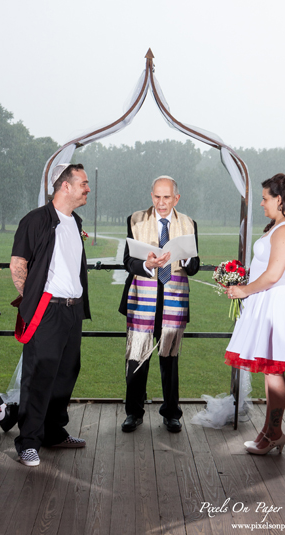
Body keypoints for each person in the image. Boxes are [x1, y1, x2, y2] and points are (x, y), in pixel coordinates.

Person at [225, 173, 285, 455]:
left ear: (279, 199)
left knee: (274, 370)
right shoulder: (279, 226)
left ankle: (274, 432)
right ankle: (270, 430)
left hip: (278, 305)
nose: (262, 204)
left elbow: (274, 274)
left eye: (265, 199)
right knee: (270, 370)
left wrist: (245, 290)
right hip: (268, 303)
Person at [9, 163, 91, 467]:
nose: (88, 188)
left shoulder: (74, 221)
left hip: (73, 311)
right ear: (65, 186)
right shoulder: (35, 220)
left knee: (66, 373)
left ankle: (54, 432)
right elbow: (18, 264)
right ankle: (28, 442)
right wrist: (31, 303)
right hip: (47, 310)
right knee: (39, 374)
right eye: (83, 183)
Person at [118, 176, 200, 433]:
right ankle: (133, 412)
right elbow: (128, 261)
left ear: (176, 198)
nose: (161, 202)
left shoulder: (188, 223)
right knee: (137, 356)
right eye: (157, 196)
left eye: (166, 197)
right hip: (142, 297)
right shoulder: (136, 220)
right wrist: (146, 265)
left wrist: (184, 259)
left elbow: (195, 266)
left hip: (173, 298)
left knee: (170, 359)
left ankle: (171, 413)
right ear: (151, 195)